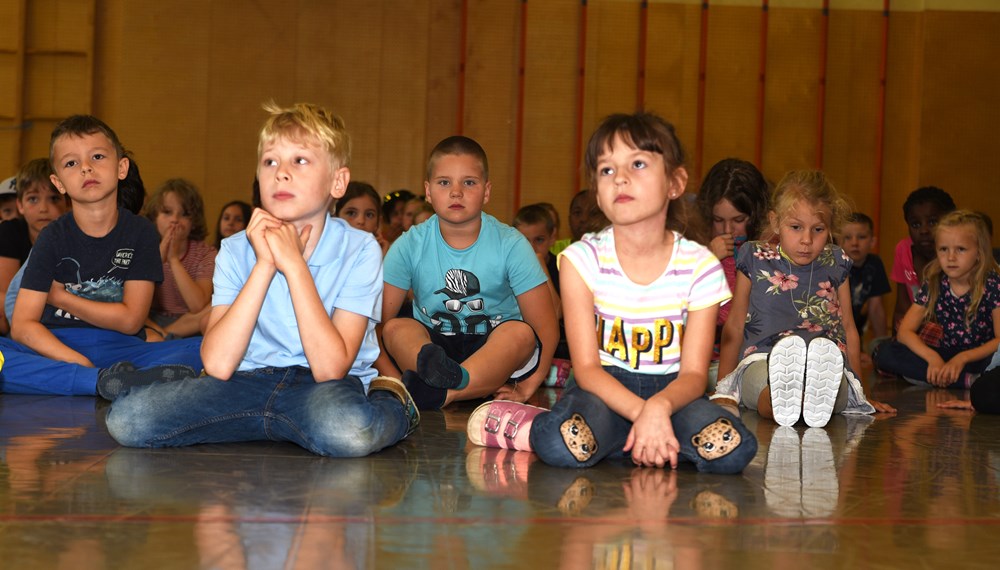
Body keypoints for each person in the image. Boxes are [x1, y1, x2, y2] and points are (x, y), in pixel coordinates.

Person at [105, 101, 419, 457]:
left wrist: (294, 265)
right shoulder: (236, 249)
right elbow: (219, 364)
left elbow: (330, 368)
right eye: (270, 161)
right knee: (128, 419)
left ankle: (392, 401)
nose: (281, 173)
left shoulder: (360, 249)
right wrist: (265, 264)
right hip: (245, 382)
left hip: (322, 387)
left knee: (348, 430)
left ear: (337, 181)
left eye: (299, 161)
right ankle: (269, 422)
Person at [467, 112, 758, 473]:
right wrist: (642, 412)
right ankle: (528, 426)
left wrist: (659, 408)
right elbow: (587, 369)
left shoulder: (701, 266)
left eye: (637, 164)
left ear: (675, 182)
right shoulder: (580, 261)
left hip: (673, 393)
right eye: (606, 170)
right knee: (560, 445)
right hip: (602, 389)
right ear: (598, 194)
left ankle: (620, 443)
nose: (620, 177)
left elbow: (695, 375)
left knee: (734, 449)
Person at [0, 115, 201, 396]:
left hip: (120, 343)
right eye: (72, 163)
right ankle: (99, 381)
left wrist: (61, 297)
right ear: (59, 183)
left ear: (121, 168)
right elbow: (22, 325)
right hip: (57, 345)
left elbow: (132, 320)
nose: (86, 168)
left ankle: (98, 379)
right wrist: (79, 363)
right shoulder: (52, 236)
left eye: (97, 156)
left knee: (207, 348)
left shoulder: (141, 232)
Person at [377, 135, 558, 409]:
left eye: (469, 182)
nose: (456, 192)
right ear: (428, 191)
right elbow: (376, 326)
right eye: (444, 182)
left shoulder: (511, 244)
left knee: (521, 334)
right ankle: (439, 378)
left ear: (486, 191)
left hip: (493, 351)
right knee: (395, 327)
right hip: (433, 347)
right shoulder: (408, 245)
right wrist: (395, 381)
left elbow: (546, 327)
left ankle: (448, 391)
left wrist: (528, 387)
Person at [712, 170, 895, 428]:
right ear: (775, 223)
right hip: (762, 358)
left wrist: (860, 393)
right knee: (763, 387)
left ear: (830, 228)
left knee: (837, 391)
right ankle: (783, 402)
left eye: (818, 229)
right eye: (796, 227)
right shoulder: (754, 257)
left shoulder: (836, 261)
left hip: (825, 367)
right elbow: (735, 324)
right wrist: (724, 391)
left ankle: (813, 397)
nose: (807, 240)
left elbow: (849, 330)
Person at [873, 210, 1000, 388]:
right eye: (943, 249)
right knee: (885, 352)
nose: (950, 257)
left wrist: (963, 358)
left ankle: (944, 378)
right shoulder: (935, 282)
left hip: (979, 357)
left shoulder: (993, 284)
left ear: (979, 252)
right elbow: (905, 332)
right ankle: (965, 380)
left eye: (961, 249)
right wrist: (933, 358)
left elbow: (999, 340)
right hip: (944, 354)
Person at [695, 158, 770, 336]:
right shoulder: (693, 245)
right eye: (718, 220)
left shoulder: (770, 248)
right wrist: (708, 257)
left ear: (757, 215)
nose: (728, 230)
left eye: (738, 220)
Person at [0, 159, 70, 336]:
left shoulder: (74, 236)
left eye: (54, 199)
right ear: (20, 205)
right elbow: (6, 296)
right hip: (20, 321)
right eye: (33, 199)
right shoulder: (10, 232)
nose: (43, 208)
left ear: (68, 203)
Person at [141, 179, 217, 340]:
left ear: (194, 222)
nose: (175, 219)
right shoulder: (143, 247)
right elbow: (138, 299)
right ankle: (162, 336)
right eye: (167, 212)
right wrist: (158, 257)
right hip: (152, 320)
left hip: (190, 322)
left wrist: (174, 260)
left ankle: (165, 336)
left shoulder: (206, 253)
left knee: (220, 304)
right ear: (155, 216)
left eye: (184, 214)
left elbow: (197, 305)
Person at [890, 186, 955, 332]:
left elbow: (943, 313)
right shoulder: (903, 249)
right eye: (916, 224)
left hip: (951, 333)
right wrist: (896, 340)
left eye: (932, 222)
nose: (924, 230)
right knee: (881, 349)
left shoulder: (955, 256)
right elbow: (901, 308)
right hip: (915, 331)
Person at [841, 212, 890, 341]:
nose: (854, 243)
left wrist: (881, 344)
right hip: (834, 330)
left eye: (861, 237)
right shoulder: (835, 265)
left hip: (857, 331)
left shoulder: (875, 264)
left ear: (872, 241)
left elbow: (876, 308)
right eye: (847, 237)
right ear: (838, 241)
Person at [512, 203, 561, 316]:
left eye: (539, 240)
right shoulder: (510, 268)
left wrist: (541, 267)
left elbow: (557, 313)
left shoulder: (561, 268)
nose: (532, 248)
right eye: (524, 241)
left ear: (552, 237)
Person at [335, 181, 389, 255]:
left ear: (378, 222)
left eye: (369, 215)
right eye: (351, 213)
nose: (361, 221)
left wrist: (381, 258)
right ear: (336, 217)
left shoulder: (384, 253)